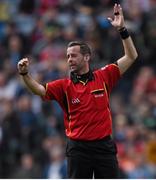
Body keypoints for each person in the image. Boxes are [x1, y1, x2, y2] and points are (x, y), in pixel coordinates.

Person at [17, 4, 138, 179]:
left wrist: (122, 30)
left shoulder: (104, 76)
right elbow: (39, 90)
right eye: (67, 56)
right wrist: (24, 74)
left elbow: (132, 56)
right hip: (78, 149)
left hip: (104, 147)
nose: (69, 60)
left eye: (73, 55)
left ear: (86, 57)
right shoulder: (63, 86)